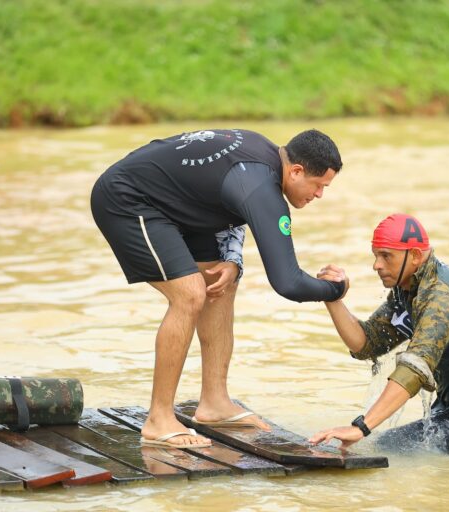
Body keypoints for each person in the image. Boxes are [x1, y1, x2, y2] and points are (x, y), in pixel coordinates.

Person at [91, 128, 347, 448]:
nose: (320, 195)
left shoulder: (262, 163)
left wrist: (233, 260)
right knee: (190, 294)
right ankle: (158, 419)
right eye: (319, 185)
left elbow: (233, 204)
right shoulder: (260, 185)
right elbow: (288, 283)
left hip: (176, 202)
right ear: (296, 171)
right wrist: (335, 290)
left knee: (220, 281)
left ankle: (214, 403)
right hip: (127, 197)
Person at [309, 214, 449, 457]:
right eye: (375, 255)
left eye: (386, 256)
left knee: (388, 447)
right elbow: (367, 344)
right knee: (391, 447)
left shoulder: (441, 296)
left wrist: (361, 427)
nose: (376, 265)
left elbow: (414, 369)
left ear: (414, 256)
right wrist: (332, 298)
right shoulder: (408, 289)